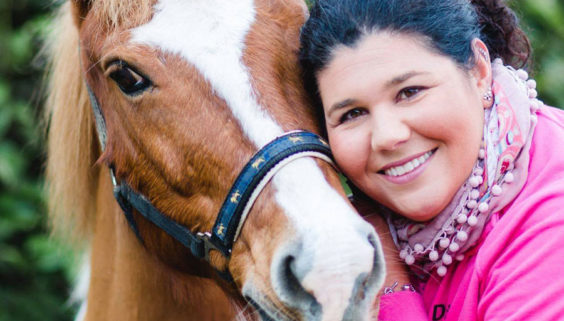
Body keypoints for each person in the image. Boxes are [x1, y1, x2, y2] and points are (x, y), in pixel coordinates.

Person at [299, 0, 564, 320]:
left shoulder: (551, 212)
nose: (385, 136)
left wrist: (389, 284)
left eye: (410, 92)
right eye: (352, 114)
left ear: (479, 70)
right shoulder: (341, 229)